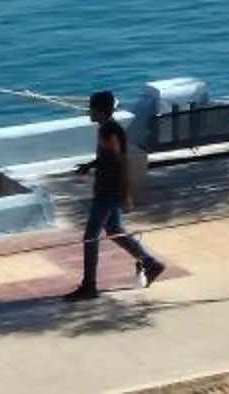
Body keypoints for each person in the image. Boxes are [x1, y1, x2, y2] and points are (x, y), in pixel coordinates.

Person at [66, 90, 167, 301]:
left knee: (90, 237)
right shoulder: (106, 129)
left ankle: (89, 286)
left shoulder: (111, 131)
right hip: (106, 189)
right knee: (114, 230)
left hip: (108, 192)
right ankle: (151, 263)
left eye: (91, 107)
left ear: (100, 110)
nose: (88, 111)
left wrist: (125, 194)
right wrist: (90, 165)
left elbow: (122, 162)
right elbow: (108, 158)